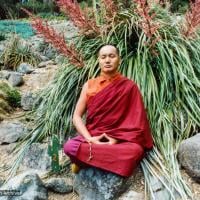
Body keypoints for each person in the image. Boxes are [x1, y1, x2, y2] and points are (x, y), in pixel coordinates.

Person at [63, 44, 153, 177]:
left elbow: (138, 122)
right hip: (94, 136)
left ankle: (83, 160)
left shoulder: (129, 87)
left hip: (120, 140)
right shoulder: (90, 85)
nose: (107, 60)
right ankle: (106, 161)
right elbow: (76, 116)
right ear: (98, 61)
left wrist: (115, 139)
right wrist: (90, 139)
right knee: (69, 146)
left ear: (119, 59)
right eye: (103, 57)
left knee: (135, 151)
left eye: (112, 56)